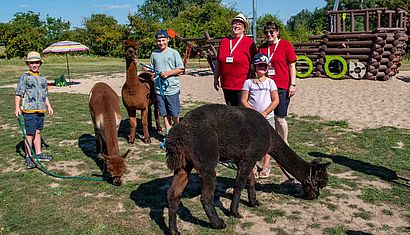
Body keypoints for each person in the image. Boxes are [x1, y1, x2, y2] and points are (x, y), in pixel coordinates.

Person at [258, 21, 297, 144]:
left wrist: (293, 84)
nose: (269, 34)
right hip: (266, 86)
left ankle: (285, 142)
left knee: (280, 117)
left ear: (277, 32)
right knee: (269, 116)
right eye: (267, 32)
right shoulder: (263, 47)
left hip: (281, 86)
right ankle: (273, 141)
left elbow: (292, 65)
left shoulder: (285, 45)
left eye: (272, 32)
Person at [241, 53, 279, 179]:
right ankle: (253, 164)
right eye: (259, 66)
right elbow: (244, 100)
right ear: (254, 67)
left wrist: (265, 113)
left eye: (264, 66)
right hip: (252, 118)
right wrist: (254, 113)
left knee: (268, 142)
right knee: (251, 141)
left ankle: (266, 164)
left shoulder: (270, 82)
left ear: (268, 68)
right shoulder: (248, 82)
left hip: (267, 117)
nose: (261, 68)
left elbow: (275, 100)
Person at [14, 51, 53, 169]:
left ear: (40, 63)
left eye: (36, 62)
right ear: (28, 64)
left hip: (40, 110)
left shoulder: (42, 78)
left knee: (37, 132)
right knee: (30, 133)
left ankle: (39, 154)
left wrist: (49, 106)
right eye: (32, 63)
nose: (34, 65)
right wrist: (17, 107)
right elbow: (18, 93)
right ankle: (28, 157)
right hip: (29, 110)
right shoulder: (25, 77)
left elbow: (45, 94)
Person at [213, 13, 258, 106]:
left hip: (242, 85)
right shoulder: (224, 41)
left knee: (241, 113)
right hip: (226, 84)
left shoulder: (249, 43)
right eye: (235, 23)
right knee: (230, 112)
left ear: (244, 28)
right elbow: (218, 61)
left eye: (240, 24)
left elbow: (255, 63)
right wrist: (216, 78)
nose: (237, 26)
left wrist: (255, 79)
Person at [150, 29, 184, 148]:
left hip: (172, 89)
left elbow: (180, 69)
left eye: (163, 40)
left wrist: (168, 73)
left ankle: (180, 135)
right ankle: (169, 136)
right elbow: (153, 69)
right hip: (159, 90)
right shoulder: (154, 54)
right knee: (164, 114)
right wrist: (151, 73)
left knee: (174, 113)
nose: (161, 43)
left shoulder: (174, 53)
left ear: (168, 40)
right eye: (159, 41)